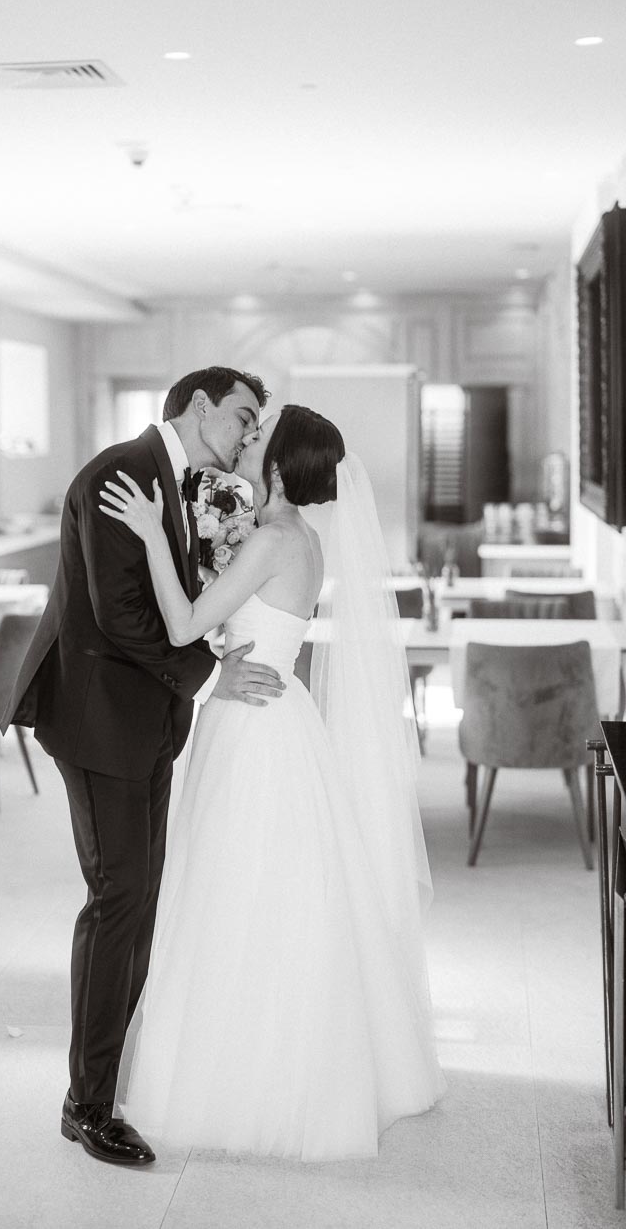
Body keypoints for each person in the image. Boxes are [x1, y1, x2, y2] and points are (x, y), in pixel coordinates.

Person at [98, 404, 446, 1161]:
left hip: (254, 725)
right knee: (278, 886)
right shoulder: (302, 538)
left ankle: (245, 1072)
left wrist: (156, 535)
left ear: (281, 467)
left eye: (257, 440)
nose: (246, 445)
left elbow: (187, 626)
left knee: (239, 886)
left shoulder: (270, 539)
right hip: (276, 710)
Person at [0, 366, 285, 1168]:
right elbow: (120, 614)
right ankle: (85, 1105)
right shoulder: (119, 474)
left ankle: (109, 1073)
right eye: (241, 416)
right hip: (97, 721)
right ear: (199, 407)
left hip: (147, 720)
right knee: (118, 896)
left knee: (141, 892)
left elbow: (173, 597)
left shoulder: (183, 482)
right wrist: (209, 675)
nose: (247, 434)